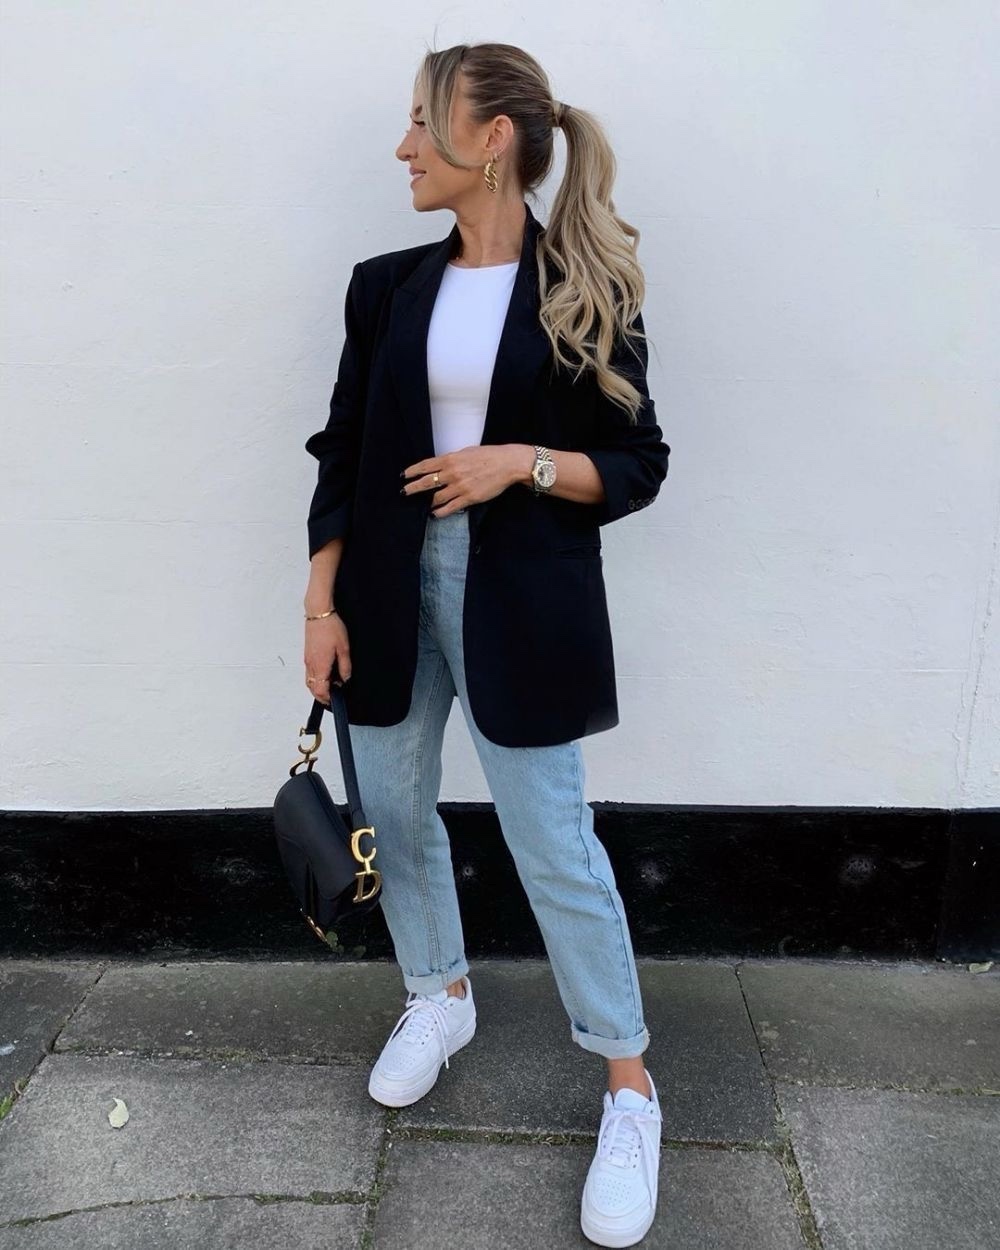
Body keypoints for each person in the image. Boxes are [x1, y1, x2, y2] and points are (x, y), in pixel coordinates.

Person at [302, 42, 670, 1248]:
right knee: (395, 811)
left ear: (492, 137)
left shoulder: (581, 284)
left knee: (552, 840)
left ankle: (629, 1083)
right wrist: (320, 601)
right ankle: (437, 991)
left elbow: (637, 465)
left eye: (423, 121)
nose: (404, 147)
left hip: (519, 597)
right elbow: (341, 451)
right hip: (384, 589)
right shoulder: (384, 287)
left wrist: (522, 462)